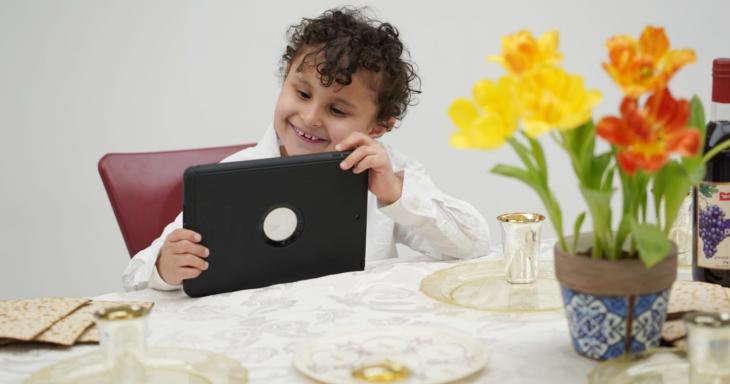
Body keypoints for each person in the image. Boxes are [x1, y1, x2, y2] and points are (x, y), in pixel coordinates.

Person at [122, 7, 490, 291]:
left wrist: (396, 194)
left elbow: (472, 245)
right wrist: (164, 268)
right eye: (301, 93)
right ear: (285, 81)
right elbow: (135, 276)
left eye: (338, 109)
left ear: (378, 127)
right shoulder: (233, 177)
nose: (310, 117)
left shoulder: (386, 179)